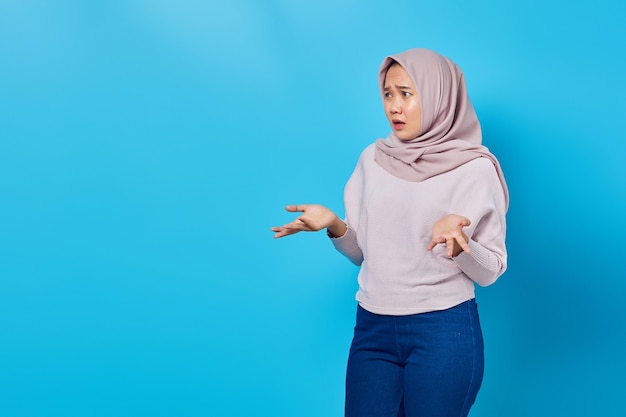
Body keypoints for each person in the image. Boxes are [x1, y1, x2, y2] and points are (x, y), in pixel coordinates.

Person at [270, 48, 508, 417]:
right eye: (388, 94)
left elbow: (490, 271)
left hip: (442, 329)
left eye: (407, 94)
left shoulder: (473, 169)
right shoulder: (373, 159)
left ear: (438, 96)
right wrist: (335, 225)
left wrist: (460, 245)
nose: (394, 107)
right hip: (373, 327)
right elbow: (364, 253)